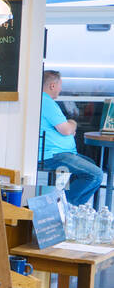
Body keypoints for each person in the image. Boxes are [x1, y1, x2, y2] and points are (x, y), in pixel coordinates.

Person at [39, 70, 103, 206]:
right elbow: (67, 129)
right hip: (53, 155)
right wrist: (73, 123)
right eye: (60, 85)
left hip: (59, 153)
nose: (61, 89)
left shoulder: (45, 101)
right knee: (95, 174)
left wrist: (69, 126)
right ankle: (62, 206)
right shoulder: (46, 102)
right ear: (52, 86)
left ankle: (71, 206)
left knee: (91, 165)